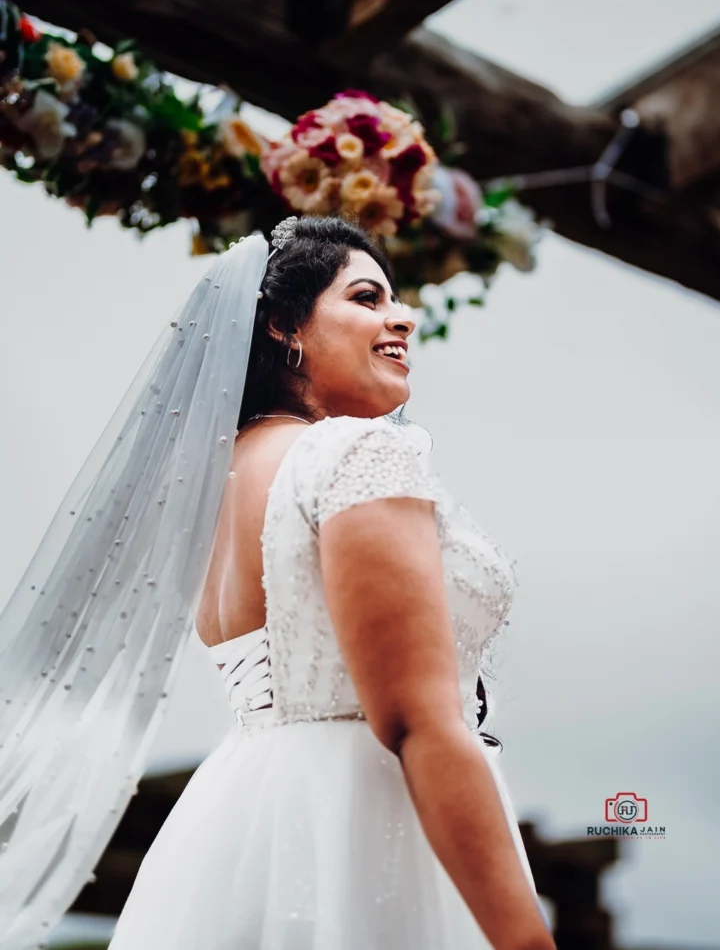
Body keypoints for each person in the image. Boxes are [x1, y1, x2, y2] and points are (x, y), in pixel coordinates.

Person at [102, 214, 553, 950]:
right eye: (368, 297)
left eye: (396, 300)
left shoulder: (212, 489)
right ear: (285, 325)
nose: (401, 317)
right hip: (365, 828)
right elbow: (419, 720)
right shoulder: (356, 452)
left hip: (239, 833)